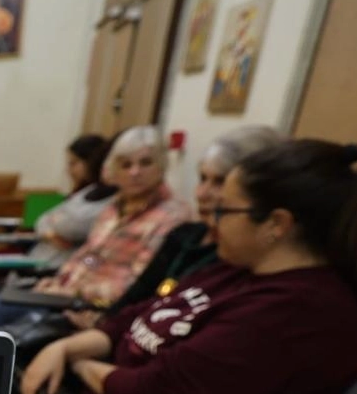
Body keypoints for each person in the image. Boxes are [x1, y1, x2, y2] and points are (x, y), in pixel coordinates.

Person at [18, 138, 357, 394]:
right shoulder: (239, 268)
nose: (211, 218)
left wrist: (76, 361)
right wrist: (64, 347)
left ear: (276, 224)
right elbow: (135, 316)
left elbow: (150, 392)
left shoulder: (301, 313)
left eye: (225, 211)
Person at [0, 126, 191, 332]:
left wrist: (73, 291)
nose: (135, 172)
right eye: (126, 165)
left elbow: (137, 284)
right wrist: (59, 280)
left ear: (161, 166)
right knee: (1, 300)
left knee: (1, 312)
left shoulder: (172, 216)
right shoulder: (115, 207)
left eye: (145, 163)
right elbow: (89, 255)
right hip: (68, 296)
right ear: (114, 170)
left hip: (98, 310)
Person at [66, 125, 283, 329]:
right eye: (202, 179)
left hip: (102, 311)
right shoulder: (182, 234)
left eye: (220, 182)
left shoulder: (179, 220)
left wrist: (80, 299)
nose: (202, 194)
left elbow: (145, 298)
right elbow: (133, 292)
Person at [20, 134, 118, 269]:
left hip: (63, 266)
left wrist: (54, 222)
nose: (68, 170)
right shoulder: (87, 191)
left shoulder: (111, 200)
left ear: (91, 162)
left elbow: (71, 226)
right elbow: (43, 219)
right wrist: (50, 232)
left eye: (74, 163)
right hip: (43, 258)